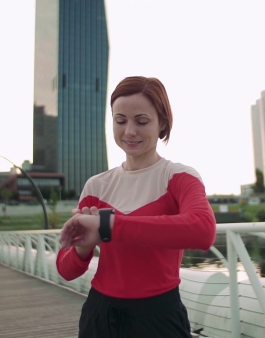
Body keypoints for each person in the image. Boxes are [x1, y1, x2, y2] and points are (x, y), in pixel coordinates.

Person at [57, 76, 217, 338]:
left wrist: (108, 225)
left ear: (162, 122)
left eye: (141, 121)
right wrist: (83, 248)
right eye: (120, 121)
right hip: (100, 317)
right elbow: (65, 269)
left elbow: (202, 230)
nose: (129, 131)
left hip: (159, 317)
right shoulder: (96, 186)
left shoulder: (179, 177)